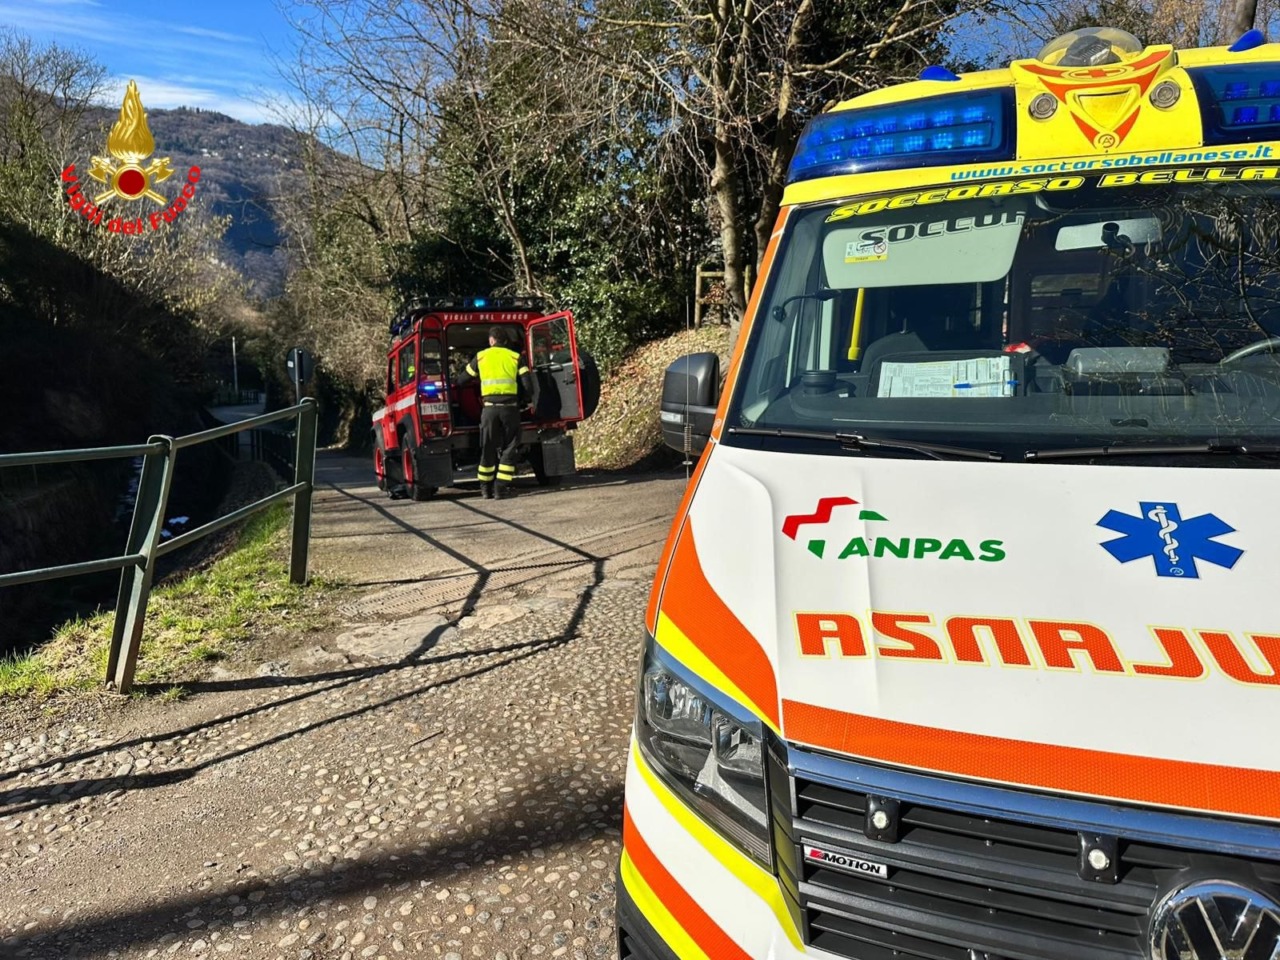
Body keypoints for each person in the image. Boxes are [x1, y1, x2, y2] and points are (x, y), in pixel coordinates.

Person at [456, 327, 538, 499]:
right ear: (505, 341)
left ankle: (485, 489)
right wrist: (523, 401)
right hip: (510, 409)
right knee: (511, 445)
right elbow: (528, 386)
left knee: (488, 447)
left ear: (492, 341)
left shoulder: (481, 357)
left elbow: (462, 380)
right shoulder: (516, 357)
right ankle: (500, 487)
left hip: (489, 409)